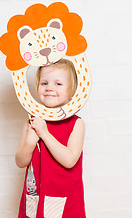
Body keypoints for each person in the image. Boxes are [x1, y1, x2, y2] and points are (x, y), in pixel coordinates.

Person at [15, 59, 86, 218]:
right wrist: (30, 141)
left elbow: (69, 160)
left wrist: (44, 134)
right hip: (35, 194)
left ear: (72, 91)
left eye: (58, 84)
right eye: (44, 83)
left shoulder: (76, 124)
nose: (49, 88)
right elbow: (20, 161)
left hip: (65, 196)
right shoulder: (31, 121)